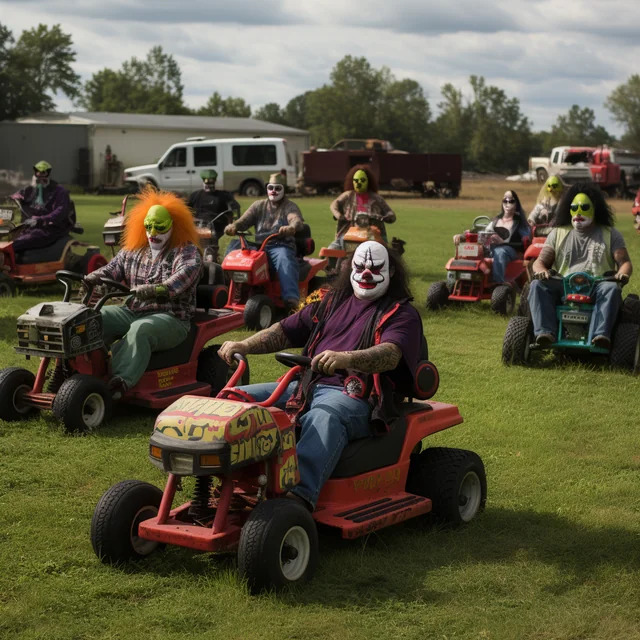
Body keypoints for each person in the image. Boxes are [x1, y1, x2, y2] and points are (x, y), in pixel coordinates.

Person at [218, 241, 422, 511]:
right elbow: (284, 330)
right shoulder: (332, 302)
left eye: (375, 268)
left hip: (358, 394)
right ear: (350, 268)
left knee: (324, 416)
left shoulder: (401, 313)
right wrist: (245, 345)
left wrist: (346, 358)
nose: (366, 274)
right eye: (360, 267)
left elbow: (390, 354)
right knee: (235, 400)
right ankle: (230, 479)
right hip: (304, 385)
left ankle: (296, 498)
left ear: (391, 271)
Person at [84, 187, 202, 396]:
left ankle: (119, 383)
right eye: (149, 227)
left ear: (175, 225)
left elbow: (182, 278)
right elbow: (112, 269)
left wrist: (156, 289)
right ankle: (86, 371)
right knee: (93, 318)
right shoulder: (133, 249)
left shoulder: (187, 251)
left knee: (141, 330)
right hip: (132, 310)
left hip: (171, 317)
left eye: (160, 227)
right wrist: (94, 277)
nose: (153, 233)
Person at [529, 182, 633, 348]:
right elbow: (540, 262)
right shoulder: (557, 233)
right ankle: (544, 333)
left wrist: (622, 274)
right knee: (537, 285)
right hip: (563, 283)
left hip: (597, 285)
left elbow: (624, 262)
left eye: (584, 207)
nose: (578, 212)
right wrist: (541, 270)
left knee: (611, 289)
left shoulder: (610, 234)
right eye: (574, 207)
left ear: (595, 208)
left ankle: (600, 336)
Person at [224, 172, 303, 309]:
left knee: (285, 259)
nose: (273, 191)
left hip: (280, 245)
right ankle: (226, 288)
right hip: (259, 246)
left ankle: (291, 299)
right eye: (271, 187)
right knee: (234, 248)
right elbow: (243, 221)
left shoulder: (289, 206)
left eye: (277, 188)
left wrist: (291, 227)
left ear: (283, 189)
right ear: (267, 188)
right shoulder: (258, 205)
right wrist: (233, 226)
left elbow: (295, 219)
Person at [454, 189, 530, 284]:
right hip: (490, 248)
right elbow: (483, 233)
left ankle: (498, 283)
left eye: (511, 201)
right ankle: (459, 281)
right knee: (468, 249)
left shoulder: (521, 222)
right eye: (505, 201)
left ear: (516, 204)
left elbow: (525, 243)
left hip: (511, 250)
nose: (507, 204)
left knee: (500, 251)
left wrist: (504, 242)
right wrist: (464, 236)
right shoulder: (496, 220)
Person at [10, 160, 74, 253]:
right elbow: (16, 196)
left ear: (48, 174)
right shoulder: (31, 189)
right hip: (30, 227)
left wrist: (40, 219)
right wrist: (14, 198)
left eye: (43, 173)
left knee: (16, 244)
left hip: (50, 229)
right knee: (7, 239)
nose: (39, 176)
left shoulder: (59, 191)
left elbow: (60, 211)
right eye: (37, 172)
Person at [329, 164, 396, 246]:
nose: (359, 183)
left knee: (384, 250)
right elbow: (333, 205)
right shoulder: (347, 196)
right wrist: (338, 215)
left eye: (362, 180)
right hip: (349, 234)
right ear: (352, 181)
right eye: (356, 181)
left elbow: (391, 214)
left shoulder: (377, 199)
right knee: (333, 248)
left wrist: (385, 217)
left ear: (368, 181)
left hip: (372, 235)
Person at [187, 169, 240, 238]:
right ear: (203, 181)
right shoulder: (195, 195)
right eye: (207, 183)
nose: (209, 186)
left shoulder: (224, 195)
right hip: (198, 226)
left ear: (215, 182)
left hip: (218, 227)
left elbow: (235, 208)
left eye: (211, 184)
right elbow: (185, 209)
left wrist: (233, 224)